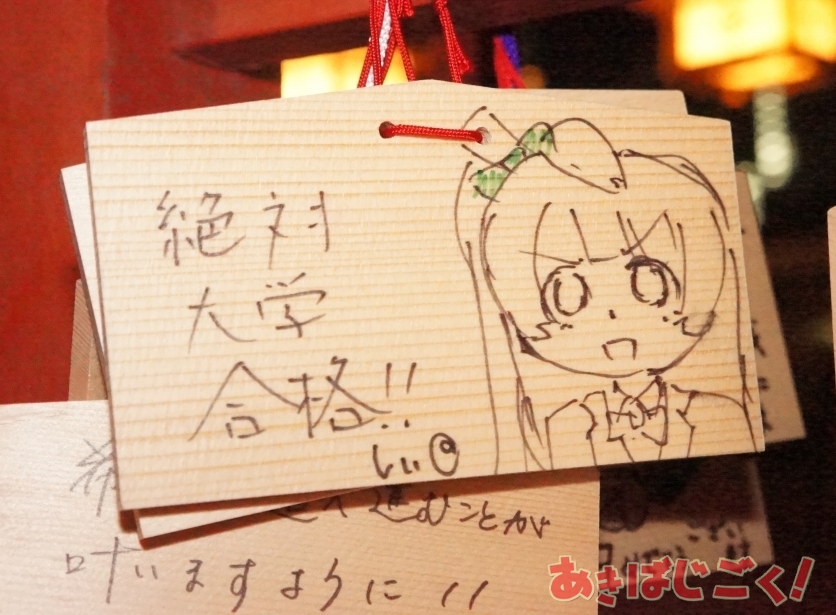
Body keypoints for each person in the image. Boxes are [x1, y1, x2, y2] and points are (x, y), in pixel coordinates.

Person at [455, 115, 759, 470]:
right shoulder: (564, 428)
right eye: (568, 297)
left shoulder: (719, 416)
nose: (612, 313)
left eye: (647, 283)